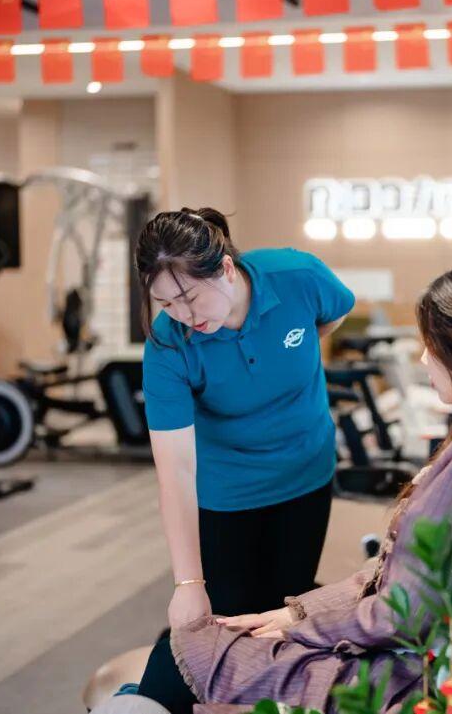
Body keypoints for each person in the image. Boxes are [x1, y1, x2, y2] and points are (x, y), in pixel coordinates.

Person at [99, 259, 452, 714]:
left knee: (186, 652)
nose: (423, 359)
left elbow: (402, 614)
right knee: (196, 645)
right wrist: (294, 613)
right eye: (166, 303)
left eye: (430, 347)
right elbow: (394, 585)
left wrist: (301, 626)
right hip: (382, 638)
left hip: (394, 671)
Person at [83, 208, 356, 708]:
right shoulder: (168, 344)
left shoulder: (296, 276)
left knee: (287, 604)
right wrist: (188, 583)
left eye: (189, 297)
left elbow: (333, 313)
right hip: (226, 491)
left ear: (226, 268)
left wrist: (287, 357)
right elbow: (175, 471)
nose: (184, 315)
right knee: (219, 616)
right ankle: (145, 697)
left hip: (305, 473)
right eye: (166, 302)